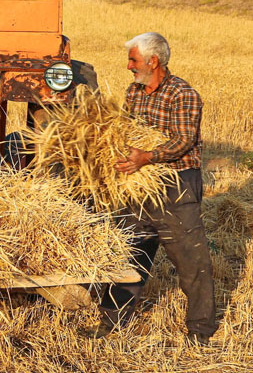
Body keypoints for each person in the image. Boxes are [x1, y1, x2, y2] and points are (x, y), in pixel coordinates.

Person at [93, 32, 218, 346]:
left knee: (191, 261)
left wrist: (145, 156)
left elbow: (183, 139)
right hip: (138, 186)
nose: (129, 66)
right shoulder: (134, 92)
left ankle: (200, 330)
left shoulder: (183, 93)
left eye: (133, 60)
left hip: (176, 186)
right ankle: (112, 322)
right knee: (127, 253)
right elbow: (124, 128)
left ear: (153, 61)